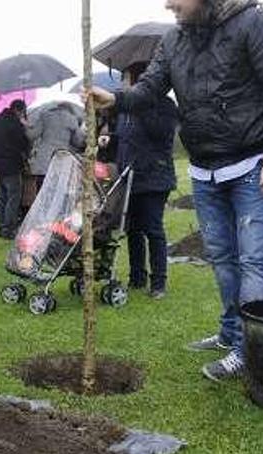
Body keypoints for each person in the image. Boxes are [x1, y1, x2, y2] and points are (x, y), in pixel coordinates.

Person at [86, 0, 263, 381]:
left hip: (253, 163)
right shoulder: (174, 40)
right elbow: (150, 90)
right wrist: (116, 99)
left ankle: (250, 352)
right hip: (205, 170)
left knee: (254, 260)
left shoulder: (254, 23)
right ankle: (231, 333)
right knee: (221, 256)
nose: (168, 4)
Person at [112, 62, 179, 299]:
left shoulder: (165, 105)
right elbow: (124, 139)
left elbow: (161, 133)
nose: (123, 84)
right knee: (133, 230)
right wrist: (108, 141)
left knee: (153, 229)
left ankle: (158, 282)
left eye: (126, 78)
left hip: (155, 176)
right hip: (129, 178)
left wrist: (141, 105)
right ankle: (137, 277)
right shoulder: (125, 109)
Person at [0, 99, 30, 239]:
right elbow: (23, 144)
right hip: (11, 165)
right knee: (13, 197)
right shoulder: (15, 123)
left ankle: (1, 227)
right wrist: (24, 127)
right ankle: (9, 228)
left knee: (2, 197)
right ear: (20, 110)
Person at [26, 101, 85, 191]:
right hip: (61, 159)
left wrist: (25, 126)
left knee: (42, 190)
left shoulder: (45, 115)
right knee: (58, 191)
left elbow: (32, 135)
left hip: (44, 160)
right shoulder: (72, 119)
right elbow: (78, 142)